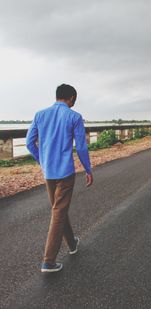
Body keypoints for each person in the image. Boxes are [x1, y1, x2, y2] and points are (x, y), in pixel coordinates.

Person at [26, 84, 93, 273]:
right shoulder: (74, 117)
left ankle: (72, 244)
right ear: (71, 98)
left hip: (49, 173)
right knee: (58, 212)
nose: (74, 103)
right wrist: (88, 169)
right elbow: (80, 147)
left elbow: (29, 142)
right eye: (74, 100)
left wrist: (42, 160)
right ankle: (48, 261)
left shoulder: (40, 114)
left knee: (58, 209)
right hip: (65, 173)